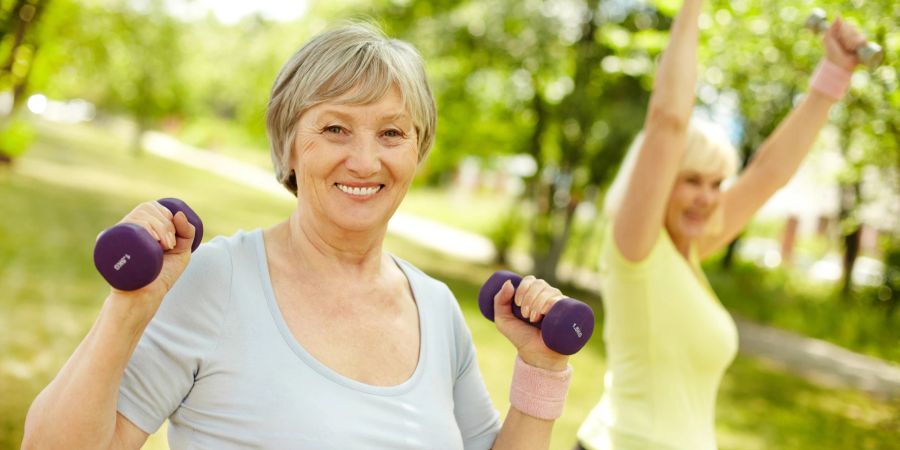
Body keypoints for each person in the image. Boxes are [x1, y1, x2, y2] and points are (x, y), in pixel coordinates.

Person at [23, 24, 575, 450]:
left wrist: (543, 369)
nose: (364, 160)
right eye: (335, 128)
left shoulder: (433, 306)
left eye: (391, 132)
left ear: (418, 151)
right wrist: (130, 308)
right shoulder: (217, 279)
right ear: (288, 143)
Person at [574, 1, 866, 449]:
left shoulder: (688, 251)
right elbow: (668, 122)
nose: (708, 198)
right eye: (691, 180)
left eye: (716, 183)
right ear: (656, 180)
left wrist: (832, 77)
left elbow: (767, 173)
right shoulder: (634, 250)